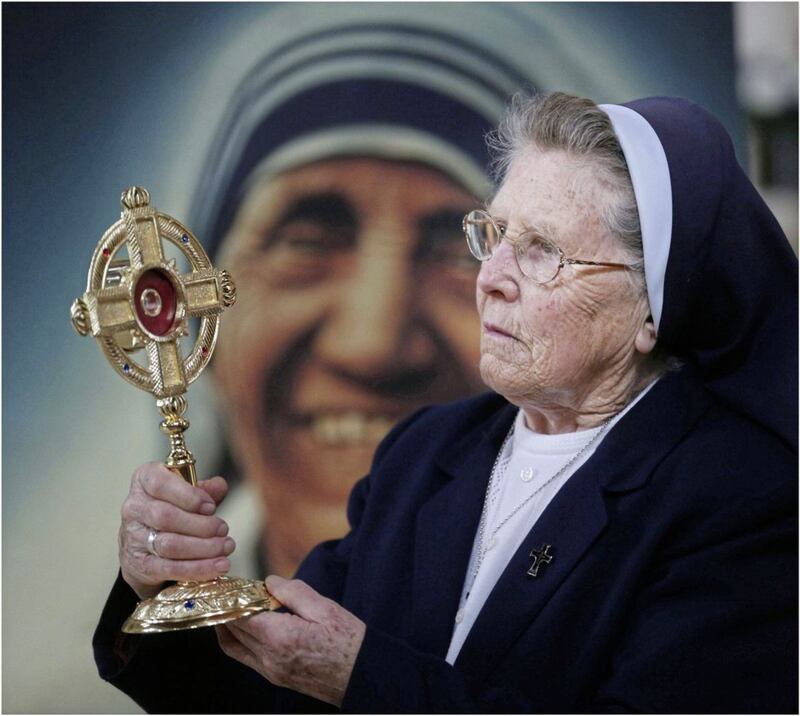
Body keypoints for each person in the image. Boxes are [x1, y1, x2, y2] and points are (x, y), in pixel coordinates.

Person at [95, 92, 797, 713]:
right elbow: (266, 697)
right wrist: (159, 588)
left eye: (542, 250)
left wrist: (361, 680)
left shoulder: (743, 499)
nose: (489, 277)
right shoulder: (430, 451)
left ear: (652, 307)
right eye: (491, 236)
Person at [189, 26, 528, 577]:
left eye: (462, 252)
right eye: (305, 243)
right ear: (200, 316)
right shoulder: (132, 658)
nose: (372, 346)